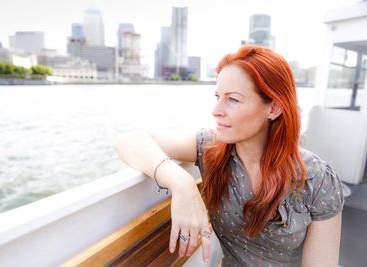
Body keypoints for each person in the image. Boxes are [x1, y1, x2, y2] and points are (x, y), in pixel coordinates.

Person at [113, 45, 344, 266]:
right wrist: (181, 183)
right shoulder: (212, 148)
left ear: (273, 108)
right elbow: (127, 141)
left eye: (232, 99)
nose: (216, 111)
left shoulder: (317, 179)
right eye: (217, 97)